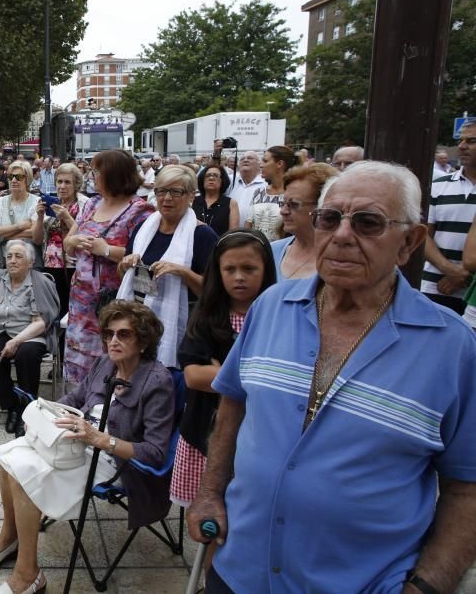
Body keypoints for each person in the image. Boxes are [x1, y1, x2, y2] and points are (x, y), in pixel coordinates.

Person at [188, 161, 476, 594]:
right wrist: (210, 494)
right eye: (329, 218)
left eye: (368, 223)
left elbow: (467, 487)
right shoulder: (270, 308)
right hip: (239, 569)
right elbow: (233, 406)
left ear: (410, 242)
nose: (343, 235)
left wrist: (428, 585)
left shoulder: (451, 346)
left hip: (363, 583)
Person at [0, 300, 174, 594]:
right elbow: (76, 397)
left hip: (113, 461)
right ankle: (9, 538)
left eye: (124, 334)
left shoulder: (157, 381)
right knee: (10, 455)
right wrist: (45, 415)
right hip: (76, 441)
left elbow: (155, 453)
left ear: (143, 341)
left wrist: (100, 439)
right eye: (109, 334)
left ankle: (28, 575)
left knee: (24, 469)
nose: (113, 341)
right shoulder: (106, 362)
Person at [170, 229, 275, 523]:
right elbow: (193, 376)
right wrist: (256, 377)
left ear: (266, 270)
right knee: (210, 522)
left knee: (249, 518)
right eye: (230, 269)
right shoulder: (207, 316)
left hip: (257, 437)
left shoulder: (276, 316)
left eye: (249, 268)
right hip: (205, 432)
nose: (239, 276)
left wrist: (221, 373)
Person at [63, 150, 151, 383]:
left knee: (110, 358)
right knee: (79, 362)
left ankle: (107, 409)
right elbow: (68, 244)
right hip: (81, 299)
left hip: (113, 301)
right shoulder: (91, 203)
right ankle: (79, 404)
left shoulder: (139, 210)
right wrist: (72, 241)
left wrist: (105, 250)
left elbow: (142, 255)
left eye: (97, 172)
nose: (93, 176)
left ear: (113, 175)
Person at [117, 165, 217, 369]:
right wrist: (125, 264)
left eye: (176, 191)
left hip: (184, 326)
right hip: (138, 321)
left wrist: (181, 271)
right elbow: (124, 276)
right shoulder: (144, 228)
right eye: (161, 191)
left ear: (191, 196)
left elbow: (213, 292)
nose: (167, 198)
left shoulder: (202, 235)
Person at [0, 240, 59, 435]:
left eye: (18, 256)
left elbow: (42, 321)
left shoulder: (39, 282)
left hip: (30, 332)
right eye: (9, 256)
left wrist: (17, 341)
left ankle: (29, 410)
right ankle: (13, 406)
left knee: (26, 355)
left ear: (30, 262)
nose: (12, 261)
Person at [422, 121, 476, 315]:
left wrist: (465, 275)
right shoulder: (439, 185)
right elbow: (423, 235)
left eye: (471, 141)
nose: (462, 146)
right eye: (461, 140)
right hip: (436, 286)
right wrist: (450, 270)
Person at [31, 162, 88, 315]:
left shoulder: (84, 204)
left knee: (72, 310)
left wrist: (67, 218)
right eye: (59, 181)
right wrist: (40, 217)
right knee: (53, 310)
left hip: (75, 266)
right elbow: (37, 240)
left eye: (67, 182)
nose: (62, 186)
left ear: (76, 184)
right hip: (50, 265)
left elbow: (87, 234)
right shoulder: (51, 203)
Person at [270, 163, 339, 280]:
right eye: (283, 203)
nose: (283, 211)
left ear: (321, 207)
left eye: (294, 204)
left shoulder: (338, 259)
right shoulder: (272, 251)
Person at [0, 160, 40, 268]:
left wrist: (4, 236)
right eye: (10, 176)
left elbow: (34, 233)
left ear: (28, 179)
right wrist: (20, 226)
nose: (13, 180)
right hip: (5, 261)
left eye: (19, 177)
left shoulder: (36, 202)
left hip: (30, 262)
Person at [244, 146, 299, 241]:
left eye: (265, 161)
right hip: (257, 251)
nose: (261, 165)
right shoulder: (259, 192)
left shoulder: (294, 195)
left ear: (279, 164)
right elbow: (248, 226)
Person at [192, 164, 239, 236]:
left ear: (222, 180)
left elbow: (233, 235)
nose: (211, 178)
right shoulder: (193, 201)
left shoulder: (231, 203)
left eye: (215, 175)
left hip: (220, 246)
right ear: (202, 180)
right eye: (208, 175)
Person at [225, 151, 265, 227]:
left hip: (255, 234)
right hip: (230, 234)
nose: (245, 160)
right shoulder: (230, 180)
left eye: (250, 158)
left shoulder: (265, 183)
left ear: (259, 164)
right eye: (242, 159)